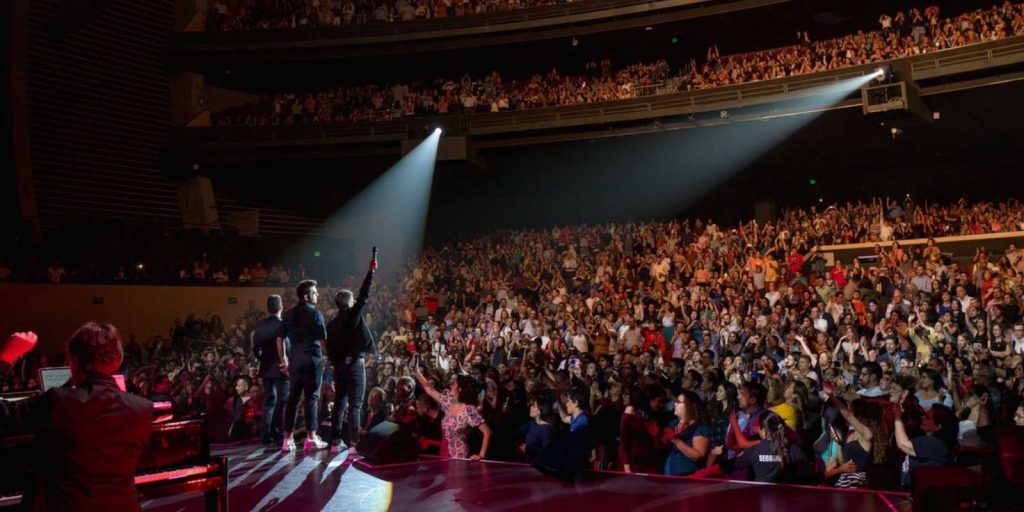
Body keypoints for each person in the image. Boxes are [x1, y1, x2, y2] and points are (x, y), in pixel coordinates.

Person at [0, 325, 153, 511]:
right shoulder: (142, 409)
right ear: (119, 360)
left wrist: (5, 358)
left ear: (71, 360)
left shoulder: (58, 401)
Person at [328, 249, 378, 453]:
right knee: (355, 404)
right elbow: (364, 295)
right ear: (348, 303)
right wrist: (371, 272)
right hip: (354, 364)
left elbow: (328, 347)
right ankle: (354, 444)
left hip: (339, 366)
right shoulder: (352, 315)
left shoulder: (331, 324)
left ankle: (334, 441)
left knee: (339, 403)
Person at [278, 278, 329, 452]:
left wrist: (284, 358)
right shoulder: (315, 314)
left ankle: (287, 440)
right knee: (312, 399)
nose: (318, 294)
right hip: (312, 360)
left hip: (295, 360)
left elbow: (280, 338)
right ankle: (311, 438)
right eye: (315, 292)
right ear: (306, 296)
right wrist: (330, 356)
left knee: (293, 399)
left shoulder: (288, 314)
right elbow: (323, 340)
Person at [413, 359, 492, 460]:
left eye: (454, 384)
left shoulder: (469, 410)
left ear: (460, 389)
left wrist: (480, 455)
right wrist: (416, 370)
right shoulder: (448, 403)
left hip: (460, 455)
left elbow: (487, 432)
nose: (450, 385)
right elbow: (429, 389)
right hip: (444, 452)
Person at [253, 294, 289, 444]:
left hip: (267, 369)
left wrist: (264, 360)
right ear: (281, 307)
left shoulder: (260, 327)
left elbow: (256, 349)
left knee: (269, 402)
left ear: (268, 308)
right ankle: (280, 435)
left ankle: (265, 435)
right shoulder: (284, 325)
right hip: (282, 367)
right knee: (283, 401)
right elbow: (288, 347)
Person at [663, 390, 712, 476]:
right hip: (669, 476)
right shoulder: (673, 424)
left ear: (689, 405)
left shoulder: (700, 427)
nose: (675, 404)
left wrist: (676, 440)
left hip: (688, 477)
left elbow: (698, 456)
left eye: (678, 402)